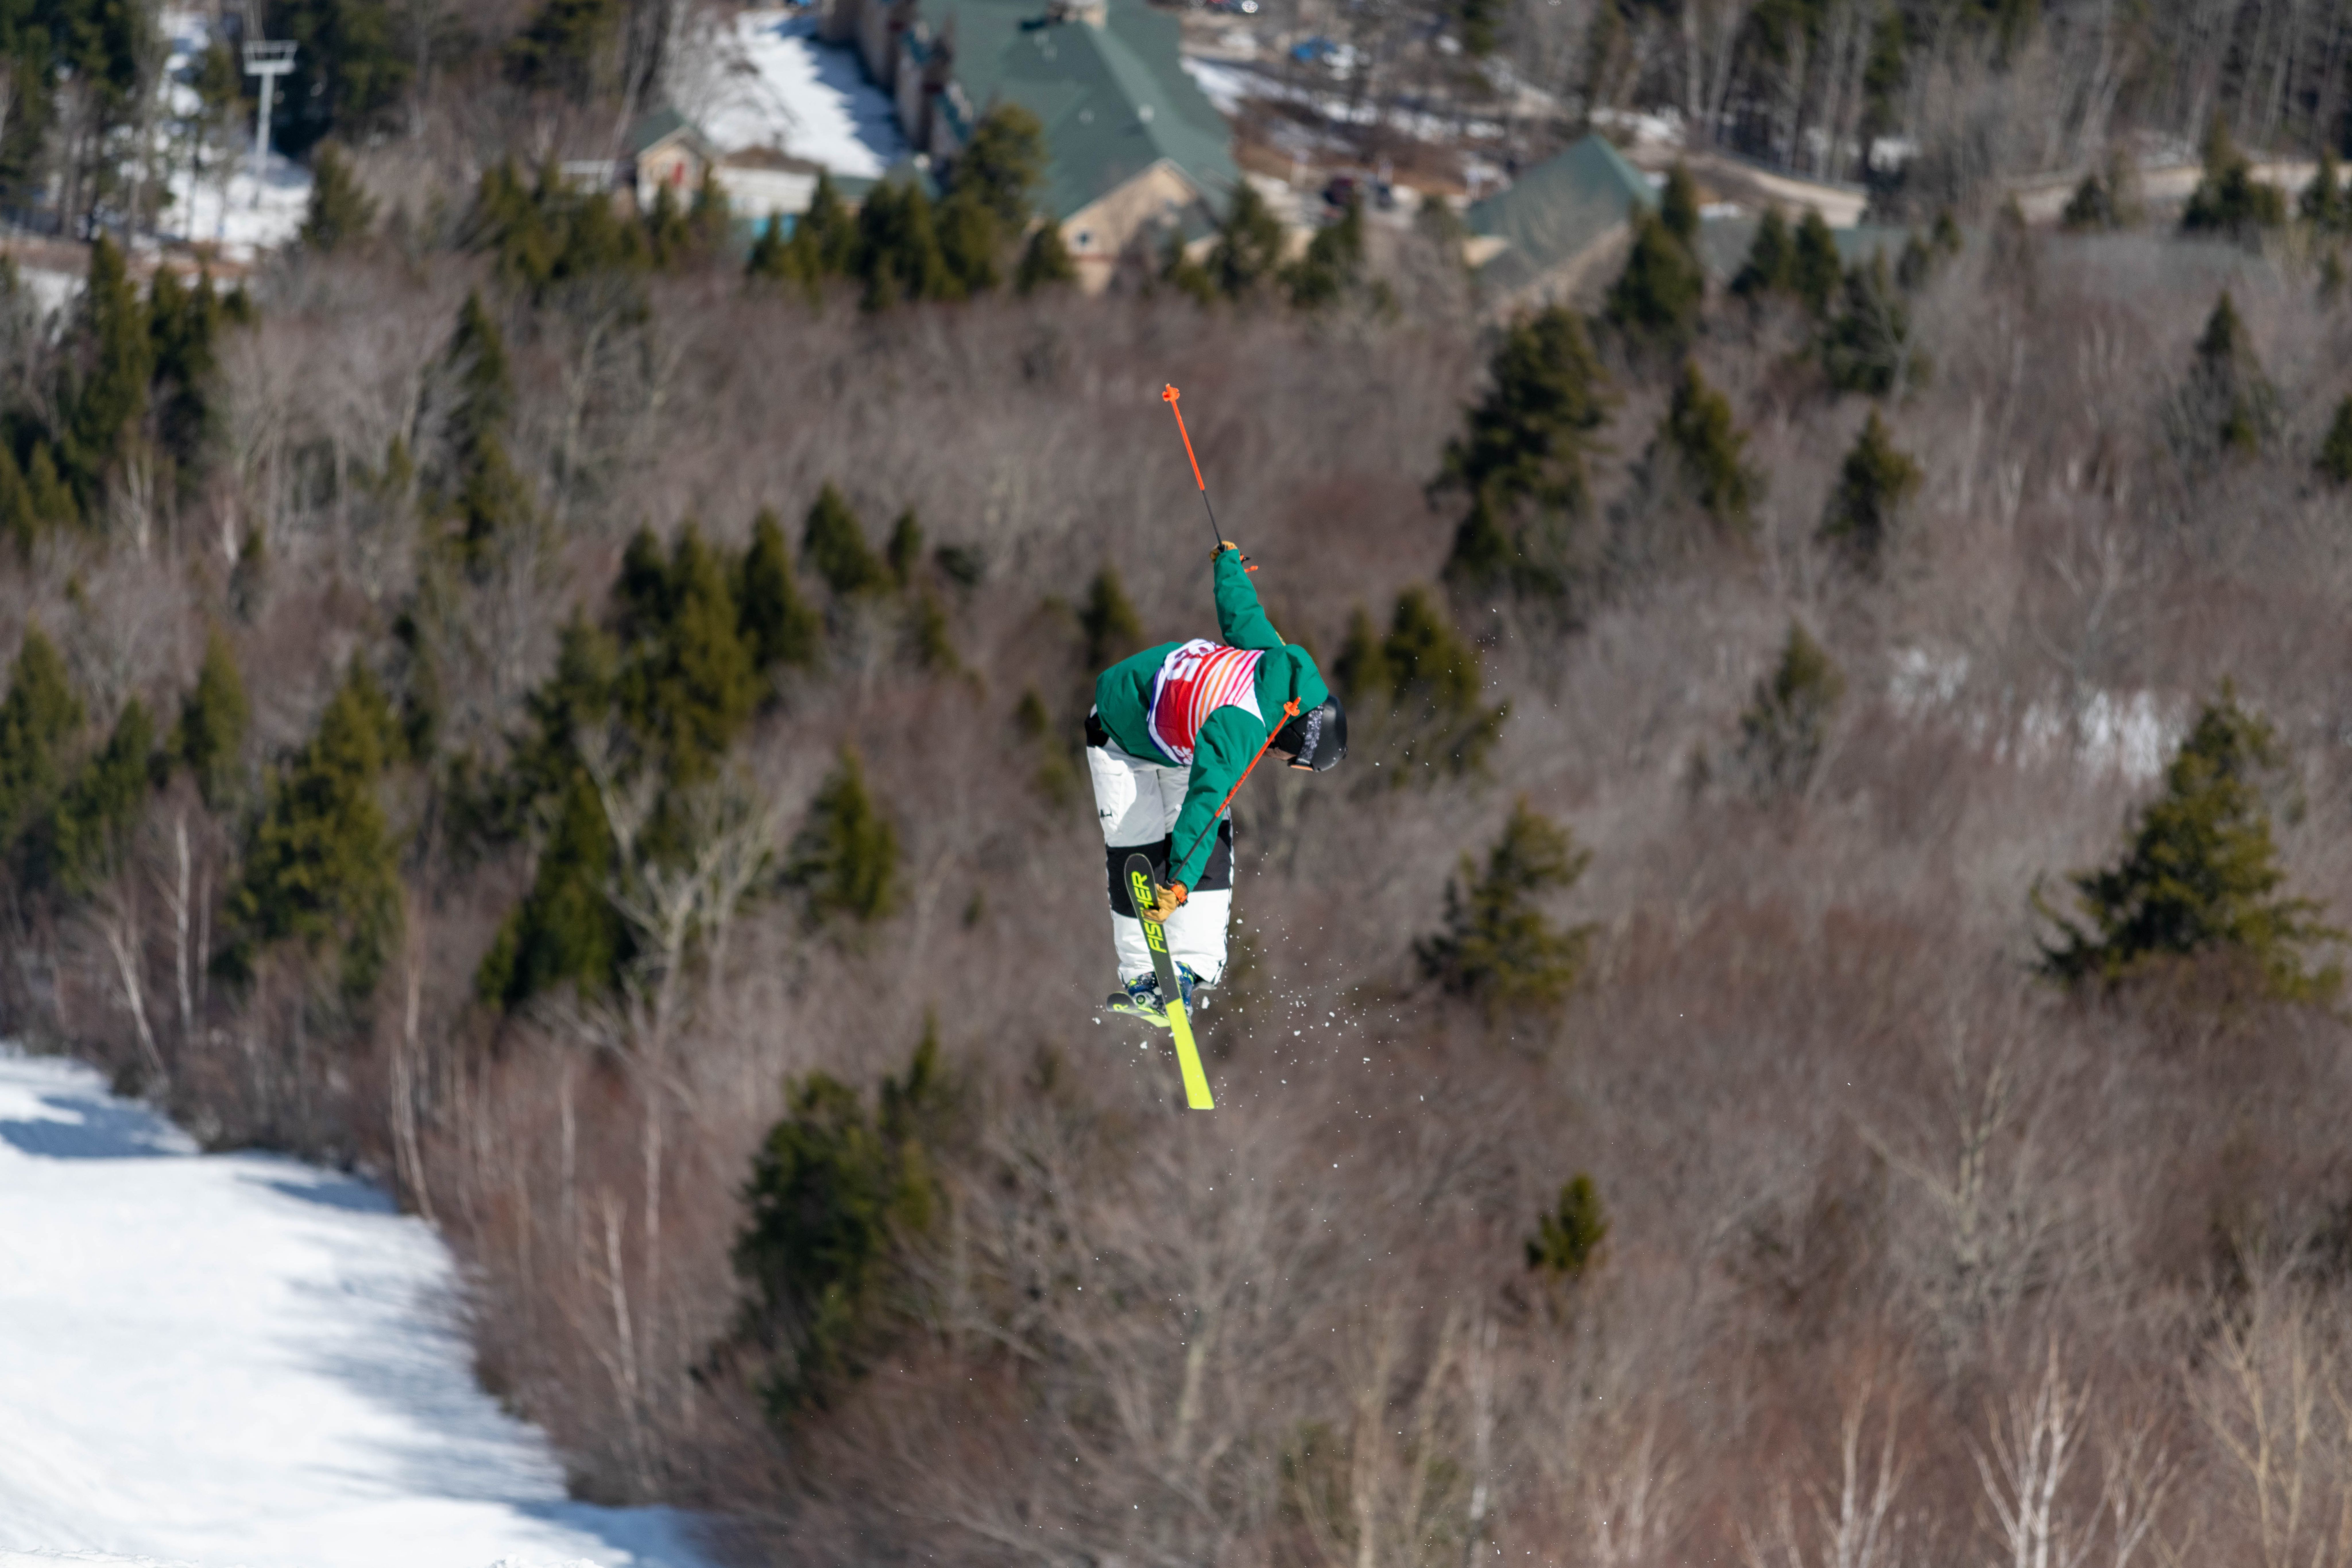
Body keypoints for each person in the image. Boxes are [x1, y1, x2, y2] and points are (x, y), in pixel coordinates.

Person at [1086, 540, 1347, 1022]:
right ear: (1296, 730)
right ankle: (1146, 977)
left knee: (1215, 844)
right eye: (1292, 756)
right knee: (1136, 847)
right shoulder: (1243, 727)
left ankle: (1188, 967)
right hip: (1121, 733)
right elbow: (1203, 805)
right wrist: (1179, 883)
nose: (1281, 759)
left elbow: (1240, 610)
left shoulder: (1277, 663)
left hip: (1179, 736)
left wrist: (1229, 564)